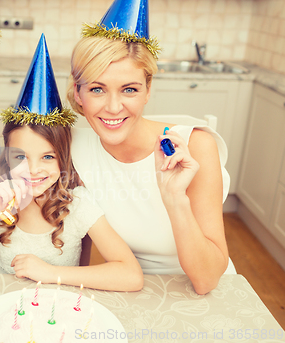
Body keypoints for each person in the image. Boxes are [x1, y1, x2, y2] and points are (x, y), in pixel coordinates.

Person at [0, 34, 143, 292]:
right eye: (20, 157)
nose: (33, 170)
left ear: (62, 158)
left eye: (47, 157)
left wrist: (50, 273)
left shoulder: (77, 204)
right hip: (8, 311)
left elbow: (132, 276)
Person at [67, 0, 234, 295]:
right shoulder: (75, 149)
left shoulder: (196, 147)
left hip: (201, 292)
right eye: (97, 89)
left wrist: (174, 198)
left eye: (129, 89)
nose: (114, 107)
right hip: (130, 286)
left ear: (148, 90)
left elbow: (207, 281)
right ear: (78, 94)